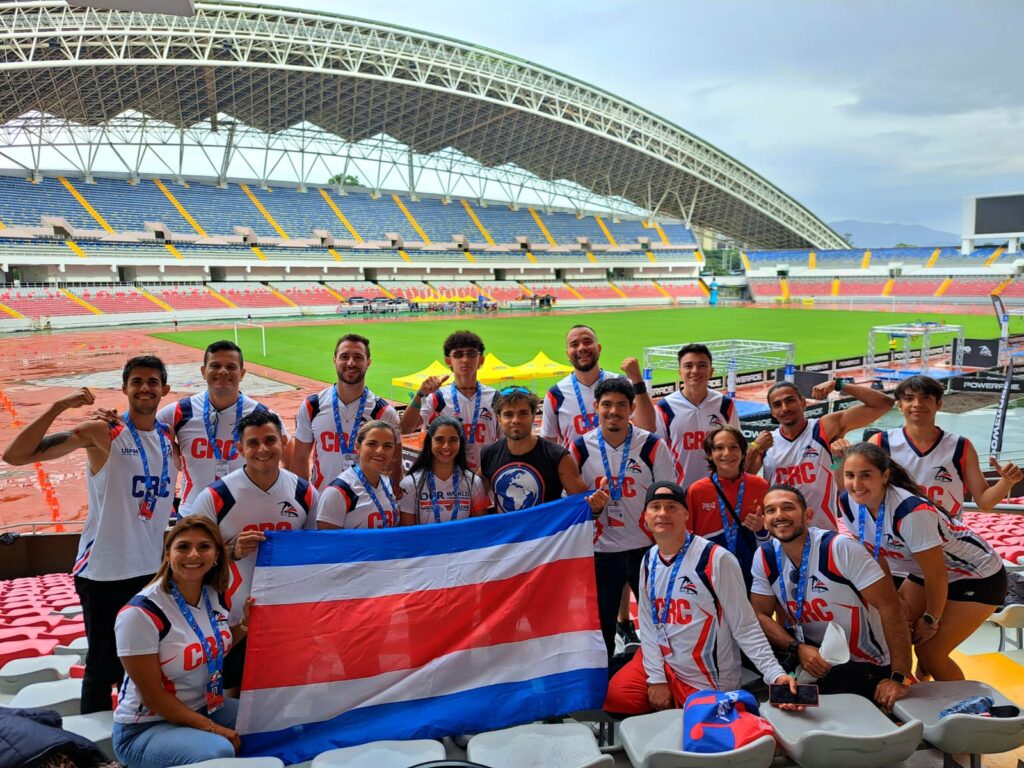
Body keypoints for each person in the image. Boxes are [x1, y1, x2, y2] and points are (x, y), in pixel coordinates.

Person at [3, 356, 176, 714]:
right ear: (125, 388)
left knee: (144, 661)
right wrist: (58, 406)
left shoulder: (167, 437)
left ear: (165, 390)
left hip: (150, 572)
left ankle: (132, 729)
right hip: (105, 571)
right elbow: (16, 455)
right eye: (137, 381)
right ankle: (92, 748)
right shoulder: (104, 431)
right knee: (102, 665)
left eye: (153, 382)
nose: (145, 388)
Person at [604, 482, 795, 714]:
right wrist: (656, 678)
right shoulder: (649, 558)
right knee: (617, 697)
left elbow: (744, 626)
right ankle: (667, 698)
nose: (663, 513)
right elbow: (647, 622)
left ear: (686, 514)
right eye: (656, 507)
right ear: (645, 517)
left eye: (672, 506)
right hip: (663, 660)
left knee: (704, 725)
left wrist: (775, 673)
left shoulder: (716, 559)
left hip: (705, 678)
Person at [839, 442, 1007, 681]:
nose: (856, 484)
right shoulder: (848, 503)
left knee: (929, 652)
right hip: (925, 571)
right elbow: (876, 555)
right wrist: (895, 600)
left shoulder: (910, 513)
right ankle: (917, 687)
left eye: (866, 475)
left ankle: (966, 711)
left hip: (977, 576)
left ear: (885, 476)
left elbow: (936, 574)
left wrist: (931, 619)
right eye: (850, 476)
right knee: (894, 630)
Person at [750, 485, 913, 711]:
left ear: (807, 515)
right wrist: (797, 647)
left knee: (824, 721)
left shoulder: (840, 548)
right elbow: (759, 614)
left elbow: (891, 608)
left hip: (867, 664)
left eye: (788, 508)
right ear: (765, 520)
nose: (779, 515)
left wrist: (900, 677)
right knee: (774, 707)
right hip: (815, 659)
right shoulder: (765, 556)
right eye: (771, 510)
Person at [188, 409, 317, 693]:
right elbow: (187, 557)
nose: (263, 449)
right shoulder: (217, 496)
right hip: (233, 619)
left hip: (286, 615)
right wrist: (230, 551)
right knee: (235, 692)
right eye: (253, 443)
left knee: (288, 689)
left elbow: (314, 553)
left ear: (283, 442)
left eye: (270, 440)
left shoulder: (304, 493)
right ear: (240, 449)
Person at [112, 516, 246, 768]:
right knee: (218, 752)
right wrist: (213, 728)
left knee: (267, 720)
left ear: (217, 554)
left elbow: (214, 646)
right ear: (168, 555)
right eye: (183, 546)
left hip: (204, 706)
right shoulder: (139, 614)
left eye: (204, 547)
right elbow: (152, 697)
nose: (193, 554)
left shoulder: (213, 595)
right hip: (146, 727)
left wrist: (246, 625)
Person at [569, 378, 682, 659]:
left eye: (621, 404)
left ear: (632, 408)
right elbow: (568, 501)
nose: (614, 411)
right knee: (601, 627)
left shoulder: (652, 445)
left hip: (646, 549)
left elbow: (669, 498)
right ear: (596, 407)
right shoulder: (580, 448)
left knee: (660, 622)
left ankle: (664, 676)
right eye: (607, 404)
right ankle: (605, 684)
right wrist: (592, 507)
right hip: (601, 551)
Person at [747, 378, 894, 531]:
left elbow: (884, 404)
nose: (785, 408)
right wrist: (754, 447)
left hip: (822, 533)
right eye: (777, 405)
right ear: (772, 412)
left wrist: (839, 385)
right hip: (781, 534)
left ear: (803, 403)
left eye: (790, 401)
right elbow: (739, 481)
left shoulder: (823, 428)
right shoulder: (767, 442)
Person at [157, 340, 284, 517]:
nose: (223, 371)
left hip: (245, 517)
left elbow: (286, 458)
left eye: (231, 367)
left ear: (242, 373)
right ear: (203, 371)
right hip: (192, 516)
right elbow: (141, 430)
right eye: (215, 365)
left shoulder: (261, 414)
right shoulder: (178, 412)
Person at [869, 374, 1023, 517]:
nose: (917, 404)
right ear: (899, 406)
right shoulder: (880, 443)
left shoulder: (961, 447)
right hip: (896, 539)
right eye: (909, 399)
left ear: (939, 404)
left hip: (946, 539)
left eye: (926, 398)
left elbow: (984, 502)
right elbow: (861, 491)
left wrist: (1007, 482)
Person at [290, 334, 400, 490]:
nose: (351, 363)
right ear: (334, 360)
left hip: (367, 506)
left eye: (358, 357)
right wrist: (305, 499)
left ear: (368, 362)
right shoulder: (312, 406)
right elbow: (300, 458)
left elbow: (394, 465)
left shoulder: (383, 412)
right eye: (344, 356)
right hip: (321, 501)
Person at [399, 330, 499, 471]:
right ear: (448, 361)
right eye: (458, 355)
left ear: (481, 360)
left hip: (485, 475)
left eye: (471, 354)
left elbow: (505, 442)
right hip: (446, 478)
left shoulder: (495, 397)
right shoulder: (437, 397)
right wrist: (419, 395)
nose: (465, 360)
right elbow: (404, 429)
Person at [685, 426, 769, 592]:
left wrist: (761, 529)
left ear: (743, 452)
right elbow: (687, 537)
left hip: (752, 570)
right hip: (710, 570)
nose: (727, 453)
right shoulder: (697, 490)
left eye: (733, 447)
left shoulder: (760, 486)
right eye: (719, 448)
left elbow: (771, 536)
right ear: (709, 454)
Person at [541, 324, 654, 447]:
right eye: (574, 344)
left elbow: (648, 427)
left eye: (587, 342)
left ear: (599, 348)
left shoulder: (622, 383)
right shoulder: (556, 394)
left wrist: (637, 380)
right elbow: (549, 443)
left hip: (619, 464)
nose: (581, 348)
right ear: (568, 353)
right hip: (574, 466)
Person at [480, 387, 591, 512]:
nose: (516, 420)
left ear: (533, 416)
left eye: (523, 413)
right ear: (499, 419)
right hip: (507, 531)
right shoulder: (489, 454)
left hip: (548, 531)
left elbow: (583, 505)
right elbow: (474, 497)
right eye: (508, 414)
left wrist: (596, 504)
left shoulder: (558, 456)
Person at [655, 343, 740, 487]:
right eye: (688, 366)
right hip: (681, 490)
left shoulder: (725, 404)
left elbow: (736, 446)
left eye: (702, 365)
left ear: (711, 371)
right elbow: (659, 455)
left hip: (719, 489)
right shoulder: (665, 407)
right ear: (680, 372)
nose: (695, 371)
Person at [399, 415, 491, 524]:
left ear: (460, 443)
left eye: (453, 440)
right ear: (430, 442)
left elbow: (480, 527)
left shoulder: (474, 483)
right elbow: (408, 532)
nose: (446, 446)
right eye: (439, 440)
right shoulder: (410, 484)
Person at [316, 420, 402, 529]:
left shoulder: (388, 483)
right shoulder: (338, 492)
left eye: (387, 446)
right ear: (358, 447)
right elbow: (328, 542)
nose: (380, 451)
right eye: (372, 444)